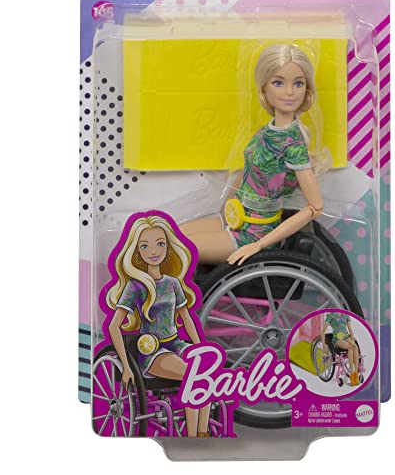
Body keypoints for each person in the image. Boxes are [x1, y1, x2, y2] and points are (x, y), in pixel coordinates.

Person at [180, 43, 324, 265]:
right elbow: (246, 173)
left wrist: (259, 245)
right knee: (167, 235)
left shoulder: (293, 144)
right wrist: (227, 210)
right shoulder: (266, 131)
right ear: (264, 88)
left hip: (254, 233)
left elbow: (315, 207)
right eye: (278, 83)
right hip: (236, 218)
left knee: (176, 248)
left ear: (307, 89)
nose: (289, 92)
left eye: (298, 83)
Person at [104, 212, 211, 437]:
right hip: (152, 351)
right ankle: (194, 437)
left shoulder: (173, 283)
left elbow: (187, 318)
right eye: (145, 246)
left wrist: (200, 347)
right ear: (137, 251)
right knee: (193, 375)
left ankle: (203, 433)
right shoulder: (135, 286)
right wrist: (126, 366)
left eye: (160, 244)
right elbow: (114, 326)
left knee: (206, 373)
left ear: (168, 247)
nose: (153, 251)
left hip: (176, 344)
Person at [322, 312, 360, 386]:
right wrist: (324, 348)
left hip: (346, 336)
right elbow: (323, 331)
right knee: (350, 347)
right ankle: (351, 372)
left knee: (355, 347)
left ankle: (356, 373)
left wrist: (352, 336)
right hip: (337, 338)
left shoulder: (345, 315)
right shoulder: (330, 315)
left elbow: (350, 329)